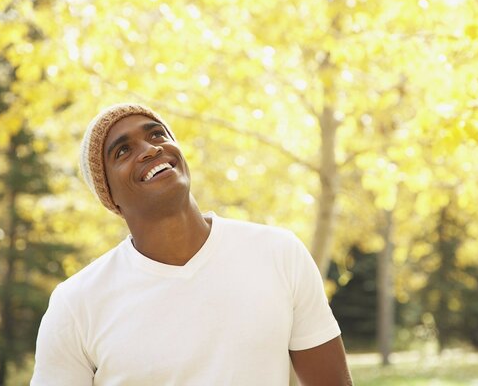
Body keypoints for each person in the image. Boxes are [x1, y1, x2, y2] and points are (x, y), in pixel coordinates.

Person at [31, 103, 352, 385]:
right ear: (109, 195)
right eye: (122, 151)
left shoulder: (279, 253)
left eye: (156, 134)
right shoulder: (75, 305)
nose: (150, 149)